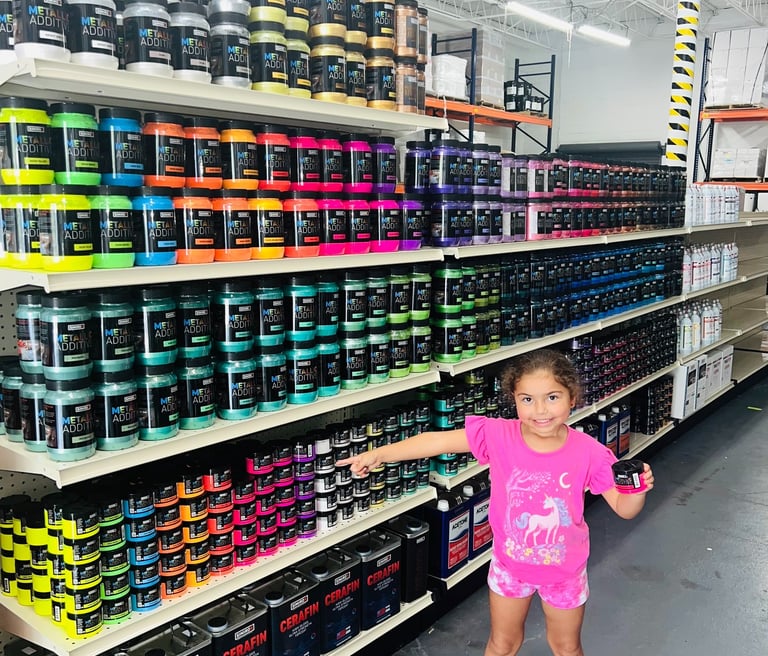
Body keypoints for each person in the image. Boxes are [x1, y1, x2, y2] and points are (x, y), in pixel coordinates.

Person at [337, 348, 654, 656]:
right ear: (514, 399)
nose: (540, 410)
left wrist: (636, 489)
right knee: (502, 645)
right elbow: (437, 440)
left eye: (552, 397)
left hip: (565, 572)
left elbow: (624, 509)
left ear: (572, 397)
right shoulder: (498, 435)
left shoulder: (590, 452)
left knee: (566, 647)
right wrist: (380, 454)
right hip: (509, 567)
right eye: (527, 399)